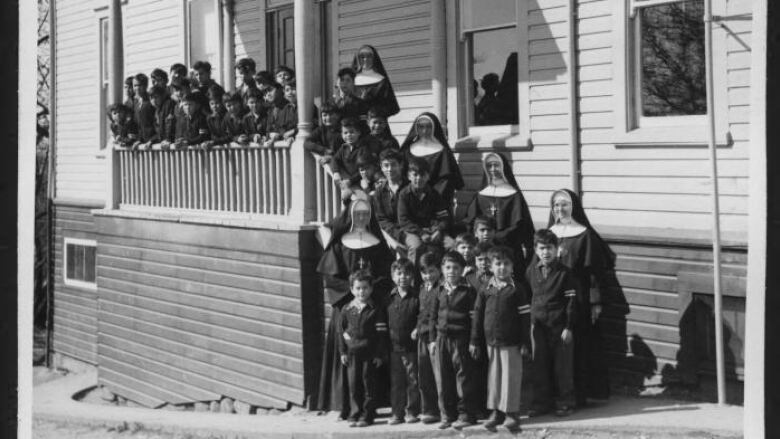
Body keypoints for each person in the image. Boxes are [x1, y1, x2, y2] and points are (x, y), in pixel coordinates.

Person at [315, 199, 394, 420]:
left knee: (372, 361)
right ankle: (347, 407)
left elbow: (385, 275)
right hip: (346, 308)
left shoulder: (376, 242)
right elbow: (331, 277)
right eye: (357, 214)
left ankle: (371, 407)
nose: (361, 218)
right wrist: (353, 297)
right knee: (347, 359)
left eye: (365, 214)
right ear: (350, 216)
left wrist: (368, 294)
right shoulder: (340, 244)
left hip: (371, 308)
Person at [547, 189, 615, 406]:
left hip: (580, 299)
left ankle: (580, 395)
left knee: (580, 346)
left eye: (564, 204)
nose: (560, 209)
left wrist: (595, 302)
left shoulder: (584, 234)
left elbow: (594, 273)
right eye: (556, 205)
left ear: (573, 206)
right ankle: (558, 394)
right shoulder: (549, 234)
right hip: (554, 298)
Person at [469, 245, 531, 432]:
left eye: (506, 264)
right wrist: (474, 340)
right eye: (498, 264)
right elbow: (478, 315)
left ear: (512, 267)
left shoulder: (517, 290)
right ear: (491, 266)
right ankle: (496, 411)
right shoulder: (485, 288)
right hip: (491, 341)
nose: (502, 268)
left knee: (510, 377)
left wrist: (525, 342)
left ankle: (511, 412)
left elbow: (525, 318)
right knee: (494, 377)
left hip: (512, 342)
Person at [526, 229, 578, 417]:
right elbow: (529, 297)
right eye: (542, 248)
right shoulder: (532, 271)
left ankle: (565, 402)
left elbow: (572, 302)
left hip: (560, 326)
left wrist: (569, 327)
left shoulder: (565, 273)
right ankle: (541, 403)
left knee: (562, 367)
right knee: (539, 365)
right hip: (538, 326)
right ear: (536, 250)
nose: (546, 252)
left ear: (557, 249)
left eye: (549, 248)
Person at [428, 250, 478, 430]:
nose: (451, 271)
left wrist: (473, 341)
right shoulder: (438, 290)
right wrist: (432, 340)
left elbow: (474, 319)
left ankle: (465, 414)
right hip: (441, 339)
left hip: (461, 340)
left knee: (463, 377)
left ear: (462, 269)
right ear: (442, 269)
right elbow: (432, 317)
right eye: (448, 267)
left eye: (456, 268)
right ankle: (447, 415)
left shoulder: (468, 291)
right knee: (443, 378)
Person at [464, 152, 535, 264]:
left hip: (507, 249)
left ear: (503, 167)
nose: (492, 169)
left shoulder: (514, 195)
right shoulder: (481, 195)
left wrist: (496, 237)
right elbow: (470, 221)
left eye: (496, 165)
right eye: (489, 165)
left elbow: (520, 226)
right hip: (483, 250)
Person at [339, 270, 388, 427]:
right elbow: (342, 333)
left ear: (371, 289)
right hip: (352, 355)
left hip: (369, 354)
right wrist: (343, 352)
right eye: (358, 288)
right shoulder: (346, 309)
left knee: (369, 385)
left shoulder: (375, 309)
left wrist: (379, 354)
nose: (362, 291)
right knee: (354, 385)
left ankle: (367, 415)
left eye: (365, 288)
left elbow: (381, 334)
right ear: (352, 289)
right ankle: (355, 413)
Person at [399, 113, 464, 211]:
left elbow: (445, 181)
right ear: (416, 128)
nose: (425, 131)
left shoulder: (442, 151)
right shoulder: (408, 150)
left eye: (428, 127)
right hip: (411, 198)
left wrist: (430, 198)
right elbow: (402, 176)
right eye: (421, 127)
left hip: (436, 199)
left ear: (434, 127)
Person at [397, 157, 453, 264]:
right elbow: (404, 220)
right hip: (412, 231)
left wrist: (439, 230)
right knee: (416, 247)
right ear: (409, 176)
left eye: (422, 175)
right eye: (415, 175)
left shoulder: (434, 194)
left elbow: (444, 216)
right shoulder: (404, 195)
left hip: (432, 231)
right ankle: (414, 279)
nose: (419, 178)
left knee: (452, 245)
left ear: (428, 176)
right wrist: (421, 233)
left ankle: (443, 277)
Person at [385, 258, 421, 425]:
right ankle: (396, 413)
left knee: (412, 380)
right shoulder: (389, 298)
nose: (403, 277)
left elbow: (422, 316)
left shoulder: (417, 297)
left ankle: (411, 412)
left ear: (412, 276)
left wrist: (417, 329)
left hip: (412, 347)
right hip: (394, 348)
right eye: (399, 273)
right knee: (396, 382)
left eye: (407, 274)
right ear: (393, 276)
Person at [416, 251, 442, 424]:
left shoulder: (441, 289)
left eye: (432, 271)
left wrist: (434, 338)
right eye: (425, 272)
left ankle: (443, 410)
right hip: (422, 336)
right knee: (424, 375)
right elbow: (421, 313)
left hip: (436, 337)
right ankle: (429, 410)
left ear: (439, 270)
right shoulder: (421, 289)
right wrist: (416, 328)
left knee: (439, 375)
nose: (428, 276)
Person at [371, 149, 407, 256]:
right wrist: (396, 234)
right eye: (386, 165)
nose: (390, 169)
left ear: (400, 165)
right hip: (390, 233)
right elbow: (381, 219)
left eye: (393, 165)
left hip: (408, 232)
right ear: (381, 167)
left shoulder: (409, 188)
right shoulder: (379, 192)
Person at [331, 117, 381, 188]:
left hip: (361, 182)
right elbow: (334, 159)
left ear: (358, 133)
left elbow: (363, 170)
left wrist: (351, 181)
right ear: (342, 135)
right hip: (348, 181)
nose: (348, 135)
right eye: (345, 133)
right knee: (345, 196)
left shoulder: (363, 149)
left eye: (352, 132)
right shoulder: (344, 148)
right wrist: (336, 172)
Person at [351, 45, 400, 118]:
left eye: (369, 56)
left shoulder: (381, 80)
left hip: (377, 125)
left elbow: (392, 107)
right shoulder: (350, 81)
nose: (365, 60)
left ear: (374, 58)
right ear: (358, 59)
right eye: (362, 57)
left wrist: (376, 112)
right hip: (355, 126)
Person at [264, 82, 297, 147]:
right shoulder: (271, 109)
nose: (268, 94)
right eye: (266, 92)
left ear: (280, 91)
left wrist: (292, 133)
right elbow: (271, 129)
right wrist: (271, 136)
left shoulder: (290, 107)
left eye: (270, 90)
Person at [132, 73, 156, 144]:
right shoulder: (136, 103)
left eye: (140, 85)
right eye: (135, 86)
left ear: (146, 86)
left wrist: (152, 140)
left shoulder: (151, 100)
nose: (137, 88)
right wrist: (139, 139)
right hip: (142, 142)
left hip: (153, 142)